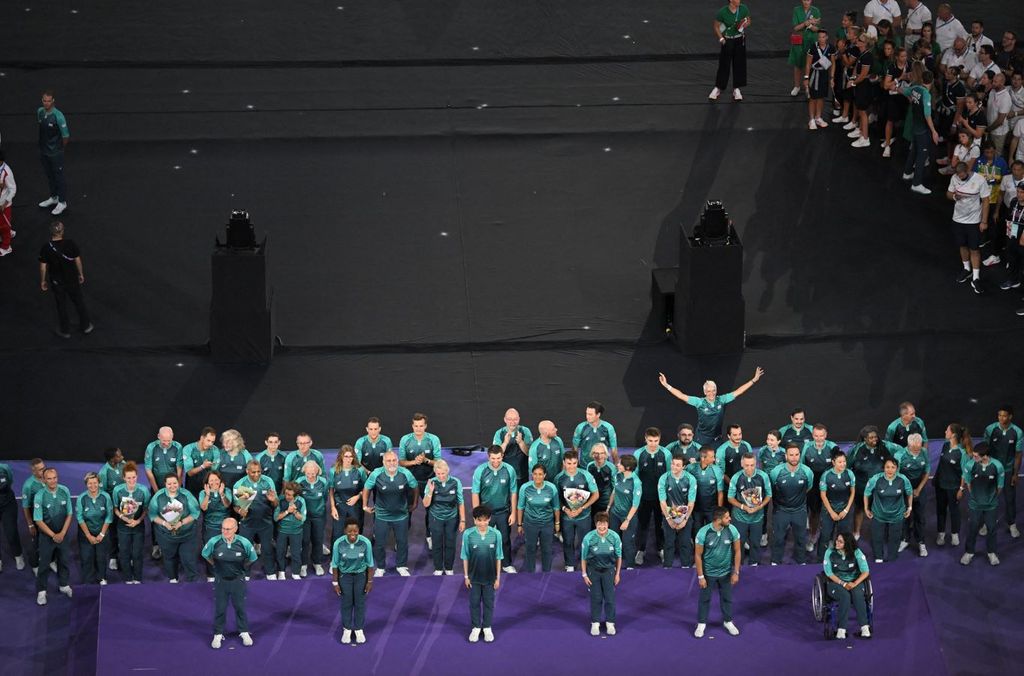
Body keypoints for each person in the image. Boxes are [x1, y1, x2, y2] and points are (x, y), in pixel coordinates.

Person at [658, 367, 764, 446]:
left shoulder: (722, 399)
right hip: (701, 438)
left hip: (717, 438)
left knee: (718, 461)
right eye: (708, 391)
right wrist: (667, 385)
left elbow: (738, 391)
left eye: (713, 390)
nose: (711, 393)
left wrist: (754, 379)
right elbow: (681, 396)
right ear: (704, 392)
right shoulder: (699, 402)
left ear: (716, 390)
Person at [202, 517, 256, 649]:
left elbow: (252, 558)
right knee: (220, 608)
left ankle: (243, 631)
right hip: (221, 581)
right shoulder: (214, 541)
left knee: (240, 608)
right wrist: (215, 565)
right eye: (223, 528)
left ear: (235, 529)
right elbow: (205, 554)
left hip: (238, 581)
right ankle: (218, 634)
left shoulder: (244, 543)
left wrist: (242, 569)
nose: (224, 531)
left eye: (228, 529)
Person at [362, 450, 418, 576]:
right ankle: (380, 567)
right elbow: (367, 488)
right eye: (388, 460)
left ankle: (401, 566)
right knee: (380, 543)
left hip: (401, 516)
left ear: (397, 461)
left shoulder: (405, 473)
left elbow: (415, 486)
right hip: (382, 516)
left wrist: (415, 504)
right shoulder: (376, 474)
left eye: (394, 460)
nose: (391, 463)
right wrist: (365, 505)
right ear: (383, 462)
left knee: (402, 542)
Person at [694, 507, 742, 638]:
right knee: (704, 599)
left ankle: (728, 621)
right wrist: (700, 576)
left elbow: (737, 551)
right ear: (718, 519)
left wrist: (736, 572)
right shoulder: (704, 532)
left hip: (726, 573)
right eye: (727, 517)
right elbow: (698, 555)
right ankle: (701, 623)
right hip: (708, 573)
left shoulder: (732, 530)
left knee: (727, 598)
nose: (730, 519)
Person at [38, 221, 92, 338]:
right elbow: (77, 260)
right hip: (72, 278)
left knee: (61, 305)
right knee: (78, 301)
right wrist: (81, 273)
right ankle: (86, 325)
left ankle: (65, 330)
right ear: (62, 231)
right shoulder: (71, 244)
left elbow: (43, 267)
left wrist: (43, 280)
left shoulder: (46, 248)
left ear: (51, 232)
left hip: (57, 281)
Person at [472, 445, 519, 573]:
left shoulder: (509, 470)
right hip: (485, 514)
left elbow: (513, 492)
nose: (496, 461)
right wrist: (477, 515)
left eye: (498, 458)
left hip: (503, 512)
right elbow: (475, 493)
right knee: (485, 540)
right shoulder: (480, 470)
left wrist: (513, 513)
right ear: (488, 457)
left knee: (505, 539)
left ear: (502, 456)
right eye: (493, 458)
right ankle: (487, 565)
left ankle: (506, 564)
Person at [947, 159, 992, 293]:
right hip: (958, 220)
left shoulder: (979, 180)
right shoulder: (954, 178)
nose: (959, 177)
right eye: (958, 175)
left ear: (967, 171)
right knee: (962, 245)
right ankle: (967, 269)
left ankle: (976, 278)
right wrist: (955, 196)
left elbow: (985, 200)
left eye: (962, 174)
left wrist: (984, 221)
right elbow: (948, 194)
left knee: (974, 249)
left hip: (973, 221)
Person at [462, 505, 502, 643]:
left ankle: (487, 627)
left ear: (489, 519)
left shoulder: (496, 534)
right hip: (474, 577)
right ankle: (475, 627)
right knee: (474, 603)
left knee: (489, 603)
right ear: (474, 520)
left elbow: (499, 556)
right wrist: (466, 576)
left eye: (485, 520)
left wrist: (498, 578)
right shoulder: (468, 534)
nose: (482, 523)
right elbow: (465, 556)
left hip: (490, 578)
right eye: (479, 520)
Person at [149, 474, 200, 582]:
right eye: (169, 483)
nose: (172, 486)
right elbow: (153, 515)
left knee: (188, 560)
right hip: (166, 536)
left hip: (187, 535)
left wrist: (181, 523)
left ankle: (192, 582)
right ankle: (173, 579)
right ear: (165, 484)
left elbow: (195, 513)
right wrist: (164, 523)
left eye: (175, 483)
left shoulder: (186, 495)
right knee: (169, 558)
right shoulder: (158, 496)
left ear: (179, 483)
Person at [959, 444, 1005, 565]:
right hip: (975, 504)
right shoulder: (970, 465)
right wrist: (976, 496)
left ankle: (992, 553)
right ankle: (969, 552)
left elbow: (999, 486)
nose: (973, 457)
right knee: (972, 528)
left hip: (991, 505)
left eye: (975, 456)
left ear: (984, 456)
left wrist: (991, 498)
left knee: (991, 529)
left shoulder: (997, 466)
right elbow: (968, 482)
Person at [331, 517, 374, 644]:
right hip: (345, 577)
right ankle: (347, 629)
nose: (353, 534)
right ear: (345, 530)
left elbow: (370, 564)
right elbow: (335, 565)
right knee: (347, 602)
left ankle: (359, 629)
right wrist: (335, 583)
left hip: (361, 576)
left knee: (360, 603)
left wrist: (369, 581)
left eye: (355, 531)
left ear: (359, 530)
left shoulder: (365, 543)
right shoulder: (338, 543)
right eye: (349, 531)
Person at [33, 468, 73, 605]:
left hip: (63, 534)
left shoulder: (65, 491)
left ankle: (64, 585)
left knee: (64, 561)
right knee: (44, 564)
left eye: (54, 477)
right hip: (46, 536)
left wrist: (62, 533)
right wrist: (53, 535)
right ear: (44, 480)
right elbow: (38, 520)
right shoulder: (39, 496)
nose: (53, 481)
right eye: (49, 478)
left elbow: (69, 514)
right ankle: (42, 591)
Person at [233, 460, 279, 580]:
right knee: (246, 549)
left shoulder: (268, 481)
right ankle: (245, 573)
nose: (257, 474)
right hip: (247, 523)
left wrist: (273, 500)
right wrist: (240, 511)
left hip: (266, 522)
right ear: (247, 471)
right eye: (253, 472)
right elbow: (236, 506)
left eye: (259, 471)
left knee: (268, 549)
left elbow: (275, 503)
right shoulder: (240, 484)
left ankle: (270, 572)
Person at [769, 444, 814, 565]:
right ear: (786, 456)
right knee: (778, 538)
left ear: (800, 455)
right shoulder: (776, 472)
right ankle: (775, 560)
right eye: (791, 455)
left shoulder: (807, 471)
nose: (794, 458)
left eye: (796, 454)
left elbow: (808, 487)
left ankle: (801, 560)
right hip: (781, 511)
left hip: (799, 511)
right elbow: (773, 487)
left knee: (801, 538)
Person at [555, 450, 599, 572]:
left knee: (584, 541)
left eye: (574, 463)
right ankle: (569, 564)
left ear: (577, 462)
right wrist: (565, 509)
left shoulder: (586, 475)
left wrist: (582, 508)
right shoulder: (558, 478)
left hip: (583, 516)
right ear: (564, 463)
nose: (572, 466)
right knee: (568, 541)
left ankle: (586, 562)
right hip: (566, 517)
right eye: (569, 463)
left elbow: (595, 495)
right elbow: (556, 499)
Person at [823, 532, 872, 640]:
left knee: (858, 594)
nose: (837, 542)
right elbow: (828, 573)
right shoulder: (829, 552)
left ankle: (865, 628)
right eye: (837, 540)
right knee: (845, 596)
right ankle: (841, 630)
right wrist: (843, 583)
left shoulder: (857, 552)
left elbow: (865, 571)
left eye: (840, 541)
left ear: (847, 544)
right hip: (836, 583)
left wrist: (854, 583)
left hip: (854, 581)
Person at [398, 413, 441, 536]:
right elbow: (401, 462)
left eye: (421, 426)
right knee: (407, 510)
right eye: (416, 426)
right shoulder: (405, 440)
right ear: (412, 426)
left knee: (431, 510)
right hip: (410, 482)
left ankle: (430, 536)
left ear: (425, 426)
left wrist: (426, 460)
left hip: (429, 481)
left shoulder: (433, 439)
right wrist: (414, 462)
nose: (418, 428)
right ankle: (402, 537)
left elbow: (439, 462)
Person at [901, 69, 942, 195]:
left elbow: (902, 90)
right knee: (921, 156)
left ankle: (907, 173)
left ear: (922, 79)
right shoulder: (926, 95)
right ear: (932, 81)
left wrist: (911, 100)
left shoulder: (915, 88)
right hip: (922, 130)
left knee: (913, 151)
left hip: (914, 126)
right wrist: (934, 131)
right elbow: (927, 115)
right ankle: (916, 183)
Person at [863, 458, 913, 562]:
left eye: (893, 467)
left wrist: (909, 507)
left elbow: (909, 492)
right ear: (883, 468)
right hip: (878, 514)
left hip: (897, 515)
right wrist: (866, 508)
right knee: (877, 537)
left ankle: (892, 557)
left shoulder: (903, 479)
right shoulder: (875, 479)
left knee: (895, 538)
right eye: (887, 467)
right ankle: (878, 557)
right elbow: (866, 493)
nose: (890, 470)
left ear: (897, 468)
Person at [581, 512, 622, 636]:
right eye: (599, 524)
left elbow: (619, 556)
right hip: (593, 572)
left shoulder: (614, 537)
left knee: (610, 598)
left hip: (609, 571)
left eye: (604, 524)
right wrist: (584, 574)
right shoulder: (589, 538)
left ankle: (610, 622)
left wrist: (617, 574)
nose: (602, 527)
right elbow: (583, 558)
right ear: (596, 524)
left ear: (608, 524)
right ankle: (595, 623)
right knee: (596, 598)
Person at [422, 458, 465, 575]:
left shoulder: (456, 482)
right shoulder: (431, 483)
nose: (441, 476)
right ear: (435, 472)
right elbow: (425, 504)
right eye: (438, 473)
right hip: (436, 518)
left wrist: (462, 520)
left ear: (448, 471)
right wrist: (430, 491)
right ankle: (438, 568)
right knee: (437, 543)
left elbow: (460, 502)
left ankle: (449, 568)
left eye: (443, 473)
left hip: (452, 518)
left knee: (450, 543)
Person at [634, 428, 671, 565]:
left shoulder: (666, 454)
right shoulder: (639, 454)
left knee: (660, 525)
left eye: (656, 441)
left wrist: (666, 498)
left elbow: (668, 476)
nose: (653, 444)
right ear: (645, 439)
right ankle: (641, 550)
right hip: (644, 497)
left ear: (659, 439)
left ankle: (660, 549)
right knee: (642, 525)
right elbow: (635, 477)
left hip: (660, 499)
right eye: (650, 441)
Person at [984, 406, 1022, 538]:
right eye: (999, 415)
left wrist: (1015, 474)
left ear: (1010, 417)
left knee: (1010, 498)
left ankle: (1011, 524)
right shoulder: (990, 429)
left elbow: (1018, 455)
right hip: (992, 470)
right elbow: (985, 450)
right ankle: (987, 522)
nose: (1001, 418)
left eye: (1004, 416)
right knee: (989, 497)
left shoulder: (1017, 432)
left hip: (1008, 470)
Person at [727, 453, 771, 566]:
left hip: (757, 517)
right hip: (739, 517)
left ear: (756, 464)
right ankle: (738, 564)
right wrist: (743, 507)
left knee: (756, 543)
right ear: (742, 464)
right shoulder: (736, 477)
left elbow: (769, 495)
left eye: (752, 465)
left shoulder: (763, 476)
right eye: (746, 465)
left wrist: (760, 506)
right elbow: (730, 498)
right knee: (739, 543)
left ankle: (754, 563)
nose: (749, 468)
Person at [517, 464, 560, 573]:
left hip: (547, 524)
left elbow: (556, 507)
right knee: (530, 548)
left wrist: (557, 523)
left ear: (544, 475)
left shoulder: (551, 488)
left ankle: (546, 572)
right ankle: (530, 572)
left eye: (540, 474)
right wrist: (519, 524)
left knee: (547, 549)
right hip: (530, 523)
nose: (537, 477)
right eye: (535, 474)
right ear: (532, 474)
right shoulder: (525, 488)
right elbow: (520, 507)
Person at [111, 462, 149, 583]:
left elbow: (146, 509)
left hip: (138, 527)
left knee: (137, 553)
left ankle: (137, 578)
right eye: (128, 478)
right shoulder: (117, 490)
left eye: (133, 477)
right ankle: (127, 578)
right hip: (123, 527)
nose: (131, 480)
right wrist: (124, 518)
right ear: (124, 478)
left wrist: (138, 520)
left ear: (137, 476)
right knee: (124, 553)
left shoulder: (143, 490)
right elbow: (115, 509)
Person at [801, 424, 836, 553]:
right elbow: (803, 465)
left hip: (829, 483)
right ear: (812, 435)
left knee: (830, 511)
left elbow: (840, 465)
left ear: (826, 435)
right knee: (814, 512)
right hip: (813, 484)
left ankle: (830, 539)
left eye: (821, 435)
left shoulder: (833, 447)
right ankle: (813, 536)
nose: (819, 438)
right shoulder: (807, 447)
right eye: (816, 435)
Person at [709, 0, 752, 102]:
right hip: (727, 40)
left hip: (739, 39)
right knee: (724, 64)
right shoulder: (722, 12)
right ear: (731, 0)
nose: (739, 0)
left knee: (739, 64)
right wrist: (721, 39)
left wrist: (744, 24)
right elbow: (716, 26)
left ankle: (736, 89)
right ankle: (718, 88)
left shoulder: (743, 8)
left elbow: (749, 21)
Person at [934, 424, 969, 546]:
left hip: (954, 488)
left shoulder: (962, 452)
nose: (945, 431)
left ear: (953, 434)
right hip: (941, 486)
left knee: (954, 511)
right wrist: (936, 480)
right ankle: (941, 534)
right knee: (940, 510)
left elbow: (964, 472)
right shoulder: (945, 445)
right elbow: (941, 464)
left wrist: (961, 489)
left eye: (947, 430)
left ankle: (955, 534)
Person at [895, 435, 931, 556]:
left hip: (919, 487)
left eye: (919, 448)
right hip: (904, 488)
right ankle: (905, 539)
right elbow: (897, 476)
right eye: (915, 449)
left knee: (920, 516)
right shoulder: (899, 456)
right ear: (909, 446)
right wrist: (909, 492)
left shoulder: (924, 452)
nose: (918, 451)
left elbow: (927, 471)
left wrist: (919, 489)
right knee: (905, 515)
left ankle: (921, 542)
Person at [659, 456, 697, 568]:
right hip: (668, 515)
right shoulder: (664, 478)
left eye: (678, 465)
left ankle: (686, 565)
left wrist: (684, 520)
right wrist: (668, 519)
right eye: (673, 464)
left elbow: (691, 502)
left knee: (685, 543)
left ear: (684, 467)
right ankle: (667, 566)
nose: (674, 467)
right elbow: (662, 501)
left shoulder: (691, 479)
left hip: (686, 516)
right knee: (668, 543)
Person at [818, 449, 856, 562]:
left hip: (845, 509)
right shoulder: (826, 475)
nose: (843, 464)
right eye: (840, 462)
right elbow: (823, 495)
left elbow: (852, 492)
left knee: (845, 535)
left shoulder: (849, 473)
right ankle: (821, 558)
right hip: (829, 510)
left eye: (844, 461)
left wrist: (846, 510)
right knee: (825, 535)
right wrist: (831, 512)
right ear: (833, 462)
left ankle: (844, 557)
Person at [36, 90, 69, 216]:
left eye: (49, 101)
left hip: (56, 153)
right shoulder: (40, 112)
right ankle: (54, 197)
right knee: (49, 175)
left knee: (58, 177)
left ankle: (62, 202)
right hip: (44, 152)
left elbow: (66, 136)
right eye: (44, 100)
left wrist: (58, 149)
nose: (46, 103)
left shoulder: (58, 116)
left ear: (53, 101)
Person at [76, 472, 112, 585]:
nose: (93, 486)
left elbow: (109, 516)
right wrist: (88, 536)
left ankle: (101, 577)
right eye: (90, 483)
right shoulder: (81, 498)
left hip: (102, 532)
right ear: (86, 484)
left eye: (95, 483)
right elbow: (80, 518)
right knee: (86, 557)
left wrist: (101, 534)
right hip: (86, 533)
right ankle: (88, 580)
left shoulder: (106, 496)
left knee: (101, 557)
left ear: (99, 483)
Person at [199, 471, 233, 582]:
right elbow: (203, 508)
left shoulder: (227, 491)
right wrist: (208, 495)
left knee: (226, 551)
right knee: (211, 551)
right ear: (207, 483)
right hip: (210, 527)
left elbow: (227, 505)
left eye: (216, 480)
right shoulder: (203, 493)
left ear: (220, 481)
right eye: (211, 480)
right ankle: (211, 574)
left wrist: (222, 494)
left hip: (225, 527)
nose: (214, 482)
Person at [328, 445, 367, 542]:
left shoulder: (359, 470)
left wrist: (358, 497)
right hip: (339, 505)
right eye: (346, 456)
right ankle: (336, 556)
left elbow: (366, 489)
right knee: (337, 533)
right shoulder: (334, 471)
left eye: (351, 456)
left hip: (355, 506)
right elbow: (331, 489)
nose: (349, 459)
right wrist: (333, 507)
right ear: (341, 456)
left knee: (355, 532)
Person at [296, 461, 328, 576]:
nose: (310, 476)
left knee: (318, 540)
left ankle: (317, 563)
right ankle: (303, 564)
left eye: (313, 473)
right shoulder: (299, 482)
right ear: (304, 471)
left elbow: (325, 497)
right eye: (308, 473)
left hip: (319, 516)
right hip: (304, 517)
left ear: (317, 472)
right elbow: (296, 499)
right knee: (304, 541)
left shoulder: (323, 482)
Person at [609, 455, 641, 568]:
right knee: (613, 540)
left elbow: (635, 505)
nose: (617, 465)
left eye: (620, 464)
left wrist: (627, 520)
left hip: (628, 516)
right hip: (615, 514)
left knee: (627, 542)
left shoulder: (636, 482)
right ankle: (613, 564)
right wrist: (608, 507)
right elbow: (614, 492)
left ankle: (630, 566)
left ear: (627, 467)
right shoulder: (617, 475)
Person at [685, 447, 724, 535]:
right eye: (711, 457)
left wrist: (719, 510)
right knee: (697, 532)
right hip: (696, 509)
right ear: (703, 458)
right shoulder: (690, 468)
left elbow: (720, 492)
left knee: (712, 532)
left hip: (711, 509)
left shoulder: (717, 470)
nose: (714, 459)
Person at [97, 447, 124, 572]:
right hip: (113, 507)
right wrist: (112, 508)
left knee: (125, 530)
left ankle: (125, 555)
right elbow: (103, 494)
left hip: (127, 506)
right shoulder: (103, 472)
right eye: (119, 456)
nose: (122, 456)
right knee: (113, 533)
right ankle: (113, 556)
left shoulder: (123, 465)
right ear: (112, 459)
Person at [757, 430, 786, 548]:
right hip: (764, 485)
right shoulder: (762, 451)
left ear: (779, 441)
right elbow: (760, 466)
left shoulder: (784, 453)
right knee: (763, 511)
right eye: (768, 439)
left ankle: (778, 533)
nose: (769, 442)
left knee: (779, 510)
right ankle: (763, 534)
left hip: (778, 486)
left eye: (772, 440)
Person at [847, 32, 876, 149]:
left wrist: (853, 82)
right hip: (860, 86)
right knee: (860, 109)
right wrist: (853, 79)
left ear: (864, 44)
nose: (857, 40)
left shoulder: (867, 56)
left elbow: (863, 75)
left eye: (860, 40)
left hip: (864, 87)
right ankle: (860, 131)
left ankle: (865, 138)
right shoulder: (862, 54)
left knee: (863, 112)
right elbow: (857, 71)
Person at [881, 47, 912, 156]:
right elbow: (886, 85)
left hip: (906, 98)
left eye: (905, 56)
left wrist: (909, 79)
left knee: (904, 122)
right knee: (890, 121)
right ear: (897, 57)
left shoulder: (910, 65)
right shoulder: (892, 67)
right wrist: (899, 78)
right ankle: (888, 145)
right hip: (894, 98)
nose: (905, 58)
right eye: (902, 56)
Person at [273, 481, 306, 579]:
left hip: (296, 531)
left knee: (296, 553)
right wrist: (287, 511)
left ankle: (296, 573)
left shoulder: (301, 501)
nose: (287, 496)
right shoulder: (281, 500)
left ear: (296, 495)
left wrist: (295, 511)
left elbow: (303, 518)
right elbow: (276, 518)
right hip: (282, 531)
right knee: (280, 552)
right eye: (286, 493)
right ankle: (281, 571)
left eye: (290, 495)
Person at [493, 408, 534, 485]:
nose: (512, 422)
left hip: (522, 474)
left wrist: (521, 442)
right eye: (509, 419)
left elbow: (529, 453)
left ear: (519, 419)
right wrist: (505, 443)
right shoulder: (499, 433)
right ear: (505, 419)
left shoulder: (525, 431)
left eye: (515, 419)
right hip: (504, 474)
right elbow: (495, 455)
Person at [790, 1, 823, 97]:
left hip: (811, 41)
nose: (806, 2)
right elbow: (796, 28)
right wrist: (807, 23)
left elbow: (817, 29)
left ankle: (808, 87)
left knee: (810, 64)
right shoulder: (796, 10)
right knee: (798, 64)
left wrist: (809, 25)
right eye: (804, 0)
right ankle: (797, 86)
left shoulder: (816, 11)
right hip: (799, 41)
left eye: (808, 0)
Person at [21, 458, 46, 575]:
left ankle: (50, 560)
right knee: (35, 542)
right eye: (40, 469)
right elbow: (26, 507)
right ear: (33, 471)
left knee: (49, 539)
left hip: (48, 514)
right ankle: (35, 565)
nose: (43, 471)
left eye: (44, 467)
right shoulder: (28, 485)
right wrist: (30, 524)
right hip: (35, 515)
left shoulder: (47, 478)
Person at [0, 460, 24, 571]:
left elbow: (10, 480)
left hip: (8, 504)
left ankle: (18, 555)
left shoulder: (4, 468)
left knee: (11, 532)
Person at [183, 427, 220, 497]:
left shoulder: (215, 450)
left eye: (212, 442)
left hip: (208, 487)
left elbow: (214, 473)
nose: (210, 444)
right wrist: (203, 466)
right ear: (202, 438)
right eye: (208, 440)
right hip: (192, 485)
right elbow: (190, 473)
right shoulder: (188, 449)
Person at [716, 425, 753, 489]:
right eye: (735, 435)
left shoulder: (747, 446)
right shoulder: (721, 451)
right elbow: (721, 473)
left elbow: (752, 465)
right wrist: (733, 485)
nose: (738, 437)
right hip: (729, 488)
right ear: (728, 436)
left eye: (740, 434)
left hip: (746, 485)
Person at [586, 443, 616, 524]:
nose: (599, 456)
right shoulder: (590, 466)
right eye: (596, 453)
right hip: (593, 500)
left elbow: (615, 487)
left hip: (606, 501)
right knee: (593, 522)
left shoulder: (611, 467)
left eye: (602, 453)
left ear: (606, 454)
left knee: (605, 523)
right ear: (592, 454)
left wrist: (610, 504)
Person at [218, 430, 253, 495]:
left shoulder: (245, 454)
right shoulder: (220, 454)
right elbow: (214, 474)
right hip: (223, 492)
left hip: (241, 492)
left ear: (237, 442)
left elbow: (252, 475)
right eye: (224, 441)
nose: (224, 444)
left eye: (228, 441)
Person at [0, 150, 16, 256]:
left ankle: (6, 246)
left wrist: (4, 204)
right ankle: (9, 233)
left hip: (3, 205)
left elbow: (13, 189)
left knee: (3, 226)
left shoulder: (6, 172)